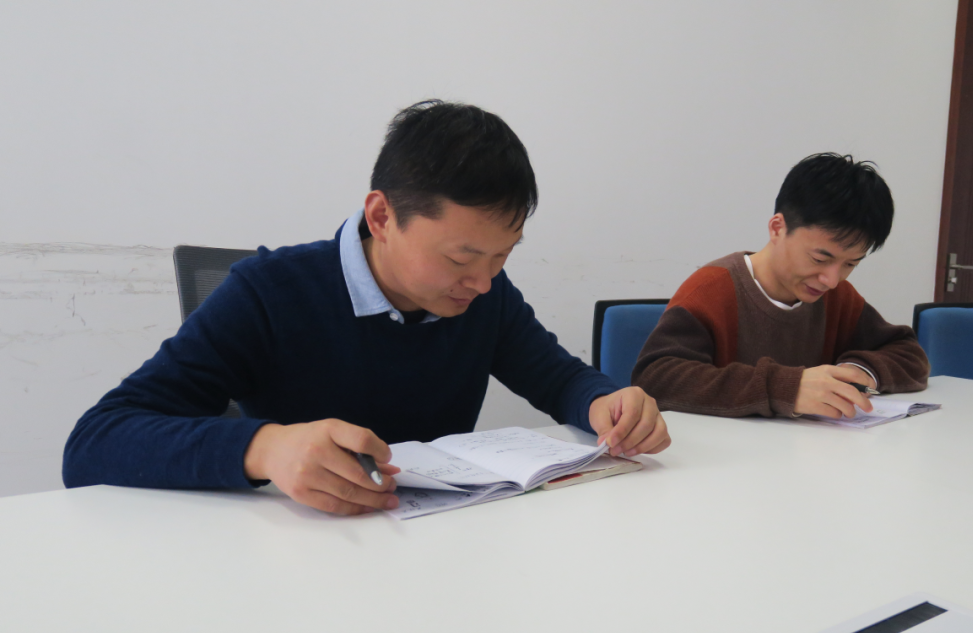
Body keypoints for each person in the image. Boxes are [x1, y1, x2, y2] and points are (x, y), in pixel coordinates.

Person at [64, 100, 670, 515]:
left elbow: (558, 378)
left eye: (503, 256)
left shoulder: (483, 295)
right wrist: (265, 448)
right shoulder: (268, 292)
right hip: (301, 557)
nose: (483, 282)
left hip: (439, 546)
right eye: (461, 258)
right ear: (382, 217)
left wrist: (605, 402)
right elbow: (95, 441)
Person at [632, 153, 929, 420]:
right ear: (778, 228)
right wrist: (786, 388)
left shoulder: (839, 298)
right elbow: (656, 378)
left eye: (851, 264)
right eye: (819, 258)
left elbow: (908, 354)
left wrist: (858, 372)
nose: (832, 279)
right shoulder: (713, 290)